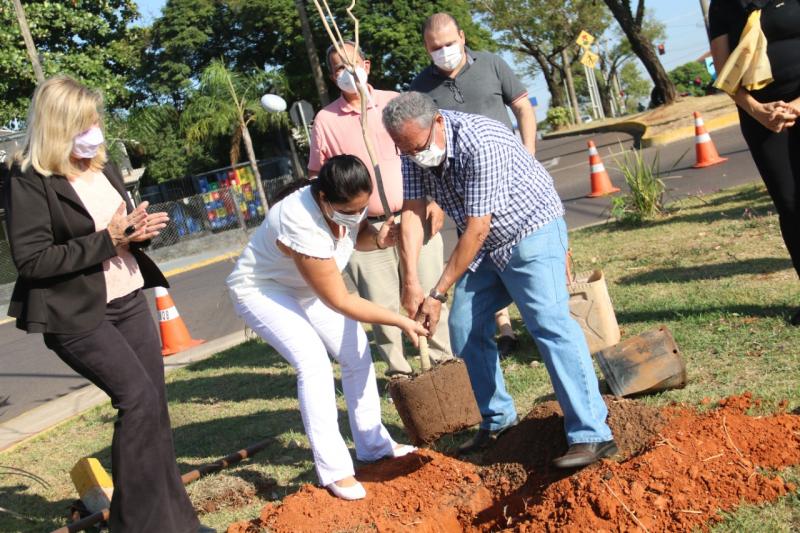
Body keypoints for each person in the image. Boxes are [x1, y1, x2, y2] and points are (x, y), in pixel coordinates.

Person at [3, 76, 211, 532]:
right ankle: (136, 526)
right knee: (135, 400)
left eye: (96, 118)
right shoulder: (28, 178)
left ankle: (181, 524)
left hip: (130, 296)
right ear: (59, 124)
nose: (95, 128)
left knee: (154, 406)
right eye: (84, 121)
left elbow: (117, 230)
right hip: (77, 314)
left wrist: (135, 235)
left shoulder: (101, 166)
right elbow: (33, 260)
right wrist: (108, 240)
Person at [383, 92, 616, 467]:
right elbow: (411, 212)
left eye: (417, 148)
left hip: (530, 231)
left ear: (438, 122)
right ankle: (498, 420)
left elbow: (476, 230)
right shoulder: (412, 149)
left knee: (549, 325)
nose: (413, 157)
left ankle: (593, 434)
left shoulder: (482, 140)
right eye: (404, 151)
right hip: (485, 247)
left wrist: (437, 293)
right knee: (464, 328)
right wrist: (410, 281)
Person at [226, 155, 425, 500]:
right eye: (349, 209)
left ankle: (373, 444)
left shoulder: (351, 202)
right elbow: (341, 300)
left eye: (362, 207)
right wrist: (400, 319)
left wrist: (379, 239)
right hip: (263, 289)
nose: (356, 213)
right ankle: (334, 470)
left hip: (308, 286)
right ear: (323, 199)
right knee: (313, 363)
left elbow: (357, 234)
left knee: (357, 353)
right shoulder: (297, 219)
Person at [308, 41, 453, 376]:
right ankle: (400, 374)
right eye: (339, 69)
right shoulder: (325, 120)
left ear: (367, 65)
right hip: (365, 230)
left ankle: (443, 365)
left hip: (415, 216)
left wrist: (434, 199)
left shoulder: (395, 103)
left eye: (352, 64)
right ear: (332, 76)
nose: (348, 73)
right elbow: (319, 178)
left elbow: (425, 155)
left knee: (430, 293)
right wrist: (351, 226)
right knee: (381, 307)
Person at [411, 12, 539, 357]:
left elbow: (523, 109)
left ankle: (539, 316)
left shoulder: (493, 65)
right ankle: (504, 326)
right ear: (427, 49)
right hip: (462, 187)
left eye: (449, 44)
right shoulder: (420, 88)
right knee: (478, 248)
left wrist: (528, 155)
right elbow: (423, 143)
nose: (444, 52)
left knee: (527, 247)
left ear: (463, 37)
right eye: (435, 48)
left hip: (510, 176)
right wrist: (434, 199)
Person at [709, 0, 800, 325]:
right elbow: (724, 71)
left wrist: (797, 105)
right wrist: (757, 111)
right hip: (762, 117)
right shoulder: (724, 6)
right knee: (789, 205)